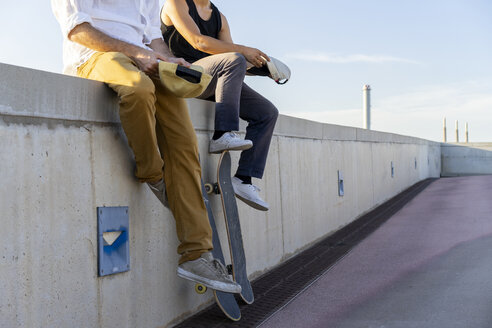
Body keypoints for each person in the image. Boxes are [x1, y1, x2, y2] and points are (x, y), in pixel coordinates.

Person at [51, 0, 241, 294]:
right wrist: (138, 53)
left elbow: (153, 37)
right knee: (138, 88)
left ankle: (196, 254)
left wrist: (168, 59)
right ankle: (153, 174)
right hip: (94, 57)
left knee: (184, 142)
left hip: (147, 61)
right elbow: (77, 30)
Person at [161, 0, 279, 211]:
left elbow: (232, 59)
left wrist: (265, 69)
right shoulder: (176, 3)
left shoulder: (219, 17)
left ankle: (243, 179)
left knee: (267, 113)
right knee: (234, 59)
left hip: (210, 79)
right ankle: (221, 134)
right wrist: (243, 52)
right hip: (181, 74)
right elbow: (200, 42)